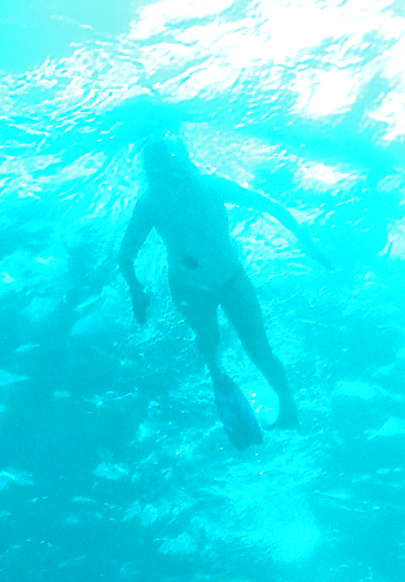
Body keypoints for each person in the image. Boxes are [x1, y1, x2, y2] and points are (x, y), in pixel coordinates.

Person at [117, 134, 327, 437]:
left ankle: (288, 409)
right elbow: (125, 254)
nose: (169, 175)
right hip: (190, 287)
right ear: (154, 172)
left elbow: (267, 205)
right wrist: (135, 291)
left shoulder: (209, 186)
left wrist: (304, 239)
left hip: (228, 280)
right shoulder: (151, 203)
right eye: (162, 169)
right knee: (211, 344)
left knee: (256, 347)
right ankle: (222, 381)